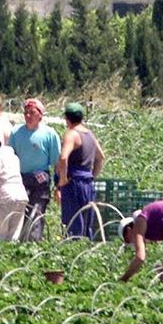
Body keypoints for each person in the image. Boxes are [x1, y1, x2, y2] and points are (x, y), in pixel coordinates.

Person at [7, 98, 61, 242]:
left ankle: (32, 244)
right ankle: (18, 243)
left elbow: (57, 163)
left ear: (40, 115)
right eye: (26, 113)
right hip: (19, 179)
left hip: (40, 180)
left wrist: (58, 185)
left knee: (36, 214)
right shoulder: (16, 132)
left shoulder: (49, 134)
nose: (28, 116)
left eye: (32, 113)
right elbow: (10, 156)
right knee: (19, 214)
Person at [57, 102, 105, 239]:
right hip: (87, 182)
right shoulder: (89, 134)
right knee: (86, 222)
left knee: (73, 223)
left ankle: (73, 251)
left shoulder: (72, 134)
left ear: (67, 118)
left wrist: (62, 180)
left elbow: (63, 157)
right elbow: (100, 157)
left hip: (74, 183)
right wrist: (92, 176)